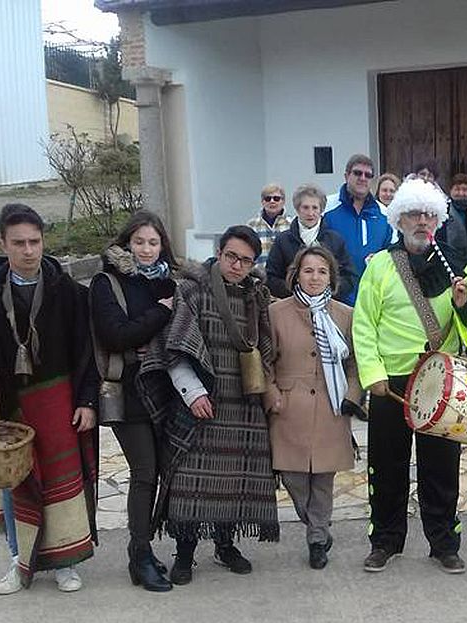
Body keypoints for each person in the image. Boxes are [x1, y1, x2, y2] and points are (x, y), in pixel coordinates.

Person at [0, 203, 99, 594]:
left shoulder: (69, 293)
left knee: (64, 481)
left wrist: (86, 401)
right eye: (19, 243)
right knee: (15, 483)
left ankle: (66, 561)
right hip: (11, 407)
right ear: (2, 243)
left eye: (35, 241)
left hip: (58, 404)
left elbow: (85, 350)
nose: (29, 250)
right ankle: (19, 560)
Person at [353, 178, 467, 574]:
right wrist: (373, 375)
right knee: (388, 465)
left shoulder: (455, 265)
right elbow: (363, 325)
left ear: (438, 219)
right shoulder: (379, 265)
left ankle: (444, 542)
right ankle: (385, 541)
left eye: (429, 215)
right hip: (390, 382)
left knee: (441, 467)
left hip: (439, 383)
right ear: (399, 219)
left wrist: (464, 305)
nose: (422, 222)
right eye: (414, 214)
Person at [136, 225, 279, 586]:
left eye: (246, 261)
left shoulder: (256, 296)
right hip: (201, 402)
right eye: (231, 256)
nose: (237, 266)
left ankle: (225, 544)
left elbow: (268, 346)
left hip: (244, 404)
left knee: (233, 481)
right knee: (190, 481)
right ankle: (184, 554)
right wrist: (193, 392)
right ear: (219, 251)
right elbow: (175, 347)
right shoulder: (192, 291)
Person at [89, 211, 177, 592]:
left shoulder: (170, 281)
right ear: (127, 244)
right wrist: (160, 313)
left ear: (162, 246)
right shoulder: (106, 283)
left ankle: (142, 549)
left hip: (164, 388)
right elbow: (116, 336)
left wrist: (150, 330)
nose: (145, 249)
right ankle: (139, 555)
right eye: (139, 242)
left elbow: (178, 333)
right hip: (128, 392)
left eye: (153, 242)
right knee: (144, 472)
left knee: (159, 472)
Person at [266, 246, 364, 569]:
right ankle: (316, 525)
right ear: (296, 274)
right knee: (293, 477)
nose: (315, 277)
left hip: (331, 405)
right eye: (308, 270)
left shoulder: (344, 314)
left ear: (331, 278)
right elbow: (265, 361)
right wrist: (271, 393)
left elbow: (354, 365)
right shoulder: (276, 312)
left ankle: (317, 538)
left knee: (323, 479)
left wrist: (352, 395)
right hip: (288, 406)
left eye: (322, 271)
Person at [322, 154, 393, 305]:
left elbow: (393, 252)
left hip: (373, 299)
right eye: (357, 173)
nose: (363, 178)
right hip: (335, 299)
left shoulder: (384, 213)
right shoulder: (326, 206)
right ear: (346, 175)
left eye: (368, 175)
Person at [265, 183, 356, 300]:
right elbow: (271, 278)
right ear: (298, 209)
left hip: (328, 306)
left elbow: (350, 277)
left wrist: (326, 291)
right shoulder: (282, 240)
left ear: (321, 210)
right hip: (292, 306)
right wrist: (297, 292)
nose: (310, 213)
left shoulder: (335, 240)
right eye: (305, 207)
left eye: (315, 208)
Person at [436, 172, 467, 269]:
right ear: (450, 191)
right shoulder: (443, 212)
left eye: (464, 189)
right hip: (450, 261)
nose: (461, 193)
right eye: (457, 189)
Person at [246, 183, 291, 268]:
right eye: (267, 199)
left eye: (276, 198)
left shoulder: (292, 225)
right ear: (262, 202)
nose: (272, 201)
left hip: (284, 278)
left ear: (283, 201)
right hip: (257, 277)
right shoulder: (251, 226)